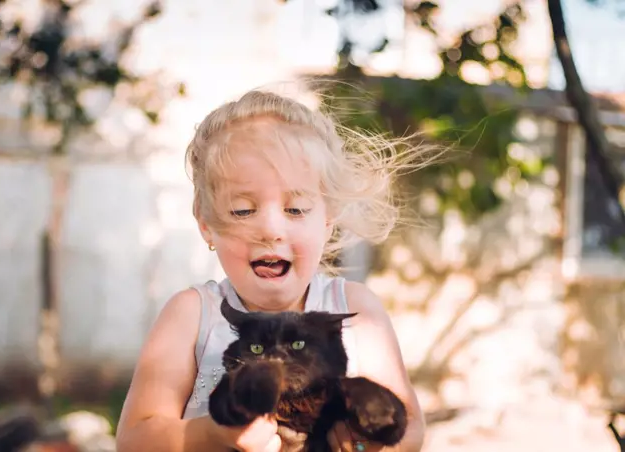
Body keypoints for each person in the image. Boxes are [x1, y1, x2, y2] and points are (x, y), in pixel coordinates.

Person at [116, 88, 428, 452]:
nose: (271, 230)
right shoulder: (192, 314)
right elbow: (134, 438)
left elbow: (411, 427)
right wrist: (211, 434)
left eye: (295, 209)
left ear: (328, 220)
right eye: (243, 210)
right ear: (205, 222)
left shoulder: (355, 310)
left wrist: (370, 444)